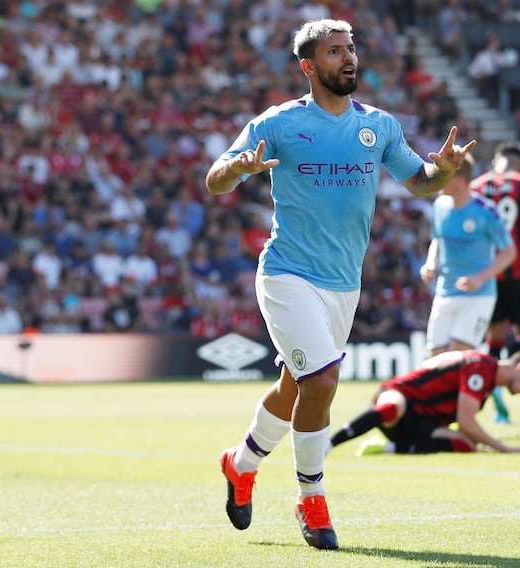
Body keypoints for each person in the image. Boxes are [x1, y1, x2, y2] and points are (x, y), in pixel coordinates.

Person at [204, 19, 476, 551]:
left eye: (350, 49)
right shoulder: (278, 122)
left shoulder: (379, 125)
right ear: (309, 67)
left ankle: (239, 465)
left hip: (343, 284)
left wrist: (442, 171)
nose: (348, 58)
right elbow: (215, 179)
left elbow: (421, 184)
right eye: (334, 51)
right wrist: (238, 168)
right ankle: (312, 496)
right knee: (323, 381)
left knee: (298, 387)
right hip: (286, 273)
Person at [326, 348, 520, 455]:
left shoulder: (487, 386)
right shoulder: (481, 366)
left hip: (423, 423)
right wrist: (505, 448)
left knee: (466, 445)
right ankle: (330, 444)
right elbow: (465, 421)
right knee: (391, 408)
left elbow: (464, 429)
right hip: (402, 397)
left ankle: (388, 448)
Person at [469, 142, 520, 423]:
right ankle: (518, 376)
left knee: (494, 341)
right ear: (519, 164)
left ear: (496, 162)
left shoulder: (477, 185)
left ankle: (494, 393)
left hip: (488, 273)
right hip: (519, 273)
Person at [420, 153, 515, 357]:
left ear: (459, 180)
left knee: (457, 357)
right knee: (435, 359)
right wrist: (430, 263)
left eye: (443, 175)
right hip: (445, 292)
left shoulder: (486, 211)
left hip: (477, 295)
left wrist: (479, 279)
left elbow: (509, 252)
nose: (437, 180)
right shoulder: (439, 207)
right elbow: (437, 239)